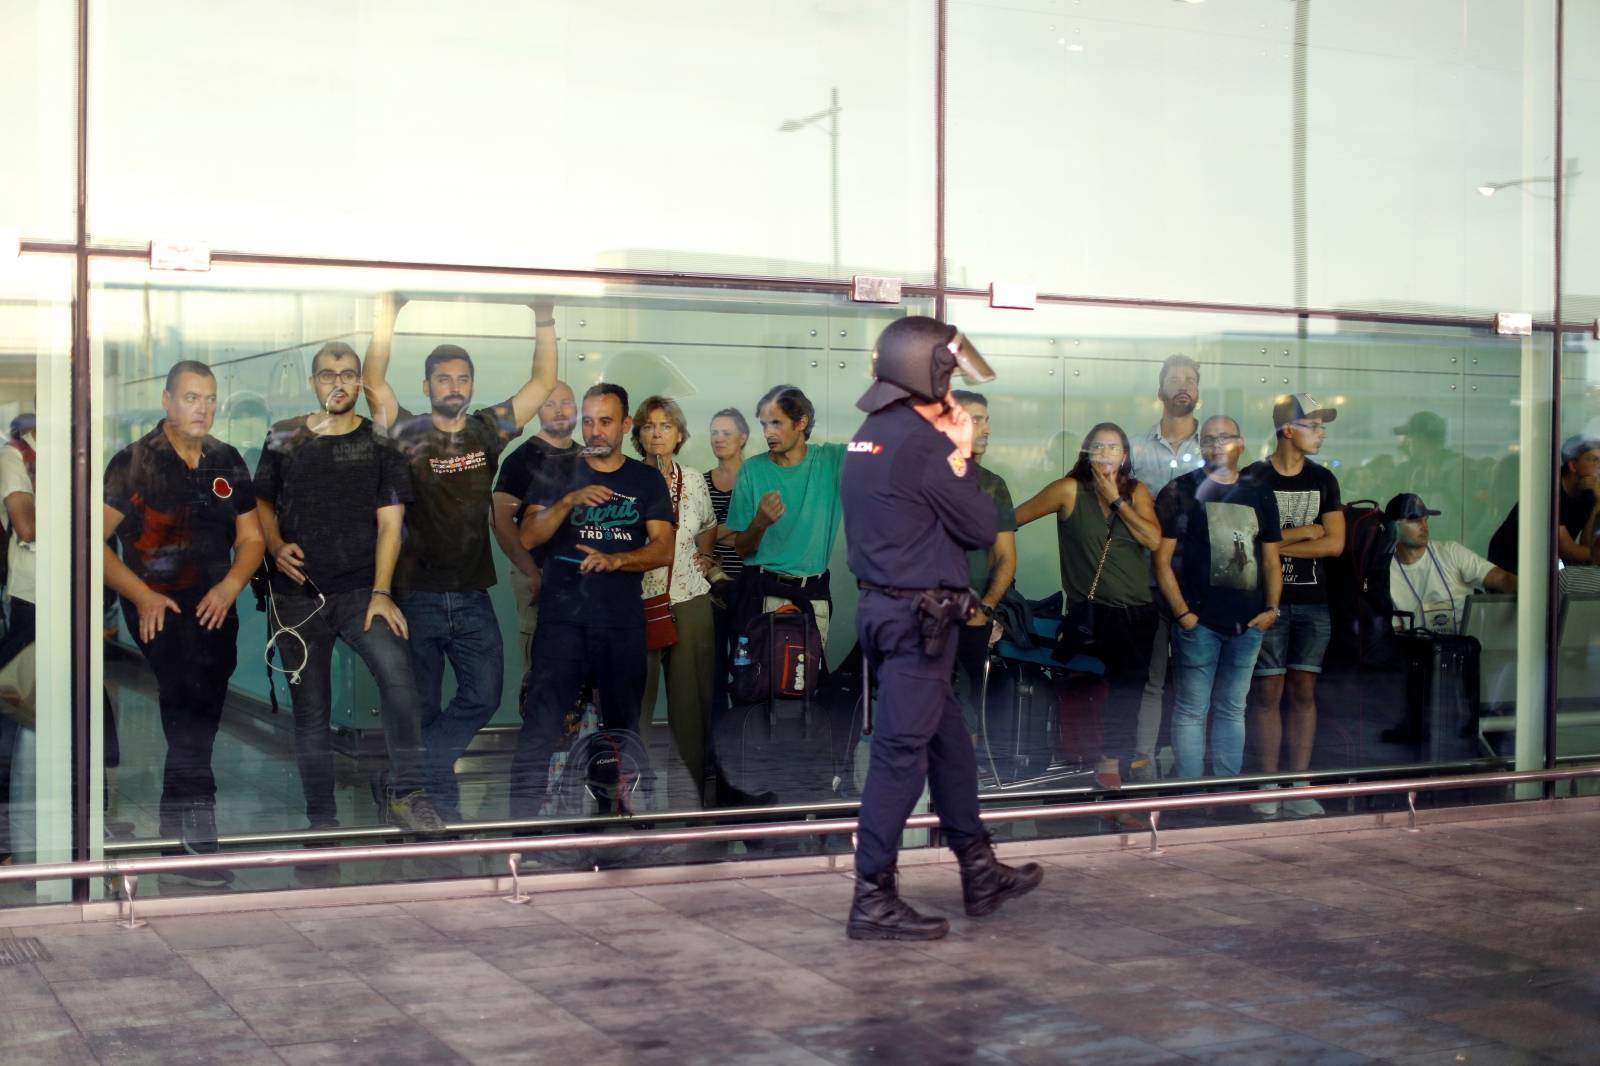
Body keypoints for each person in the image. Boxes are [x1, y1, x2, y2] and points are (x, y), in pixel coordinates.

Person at [842, 316, 1041, 941]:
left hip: (888, 611)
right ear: (922, 369)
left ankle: (979, 870)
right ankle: (872, 897)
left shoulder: (869, 433)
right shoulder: (924, 445)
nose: (953, 384)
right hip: (917, 620)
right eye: (946, 371)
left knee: (949, 743)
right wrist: (957, 450)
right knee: (900, 757)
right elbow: (982, 526)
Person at [362, 293, 557, 821]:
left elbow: (540, 385)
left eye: (463, 378)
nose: (454, 387)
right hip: (416, 597)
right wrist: (389, 312)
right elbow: (373, 383)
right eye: (444, 379)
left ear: (471, 386)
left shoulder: (486, 431)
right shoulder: (406, 433)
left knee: (483, 695)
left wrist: (543, 316)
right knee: (422, 706)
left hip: (472, 596)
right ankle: (435, 807)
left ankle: (410, 782)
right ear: (427, 387)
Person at [253, 342, 445, 836]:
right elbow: (262, 504)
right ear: (313, 382)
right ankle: (323, 819)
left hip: (362, 592)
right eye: (326, 374)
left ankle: (407, 795)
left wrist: (382, 593)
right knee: (311, 714)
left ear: (360, 382)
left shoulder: (381, 444)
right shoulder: (284, 436)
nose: (337, 382)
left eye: (348, 374)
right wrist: (274, 545)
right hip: (296, 596)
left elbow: (391, 524)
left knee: (401, 684)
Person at [102, 361, 266, 887]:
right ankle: (200, 822)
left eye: (210, 398)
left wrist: (231, 586)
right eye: (192, 397)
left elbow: (253, 538)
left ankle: (179, 824)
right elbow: (91, 540)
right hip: (160, 607)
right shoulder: (133, 463)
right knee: (185, 701)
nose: (203, 408)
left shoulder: (227, 460)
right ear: (167, 400)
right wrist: (142, 594)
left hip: (216, 602)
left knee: (205, 705)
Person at [508, 384, 674, 818]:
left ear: (625, 426)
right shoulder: (556, 469)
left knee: (621, 728)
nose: (595, 431)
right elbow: (527, 536)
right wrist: (568, 501)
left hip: (620, 623)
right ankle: (520, 828)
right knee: (541, 727)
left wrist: (616, 560)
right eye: (588, 421)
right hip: (562, 621)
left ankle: (610, 814)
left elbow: (663, 548)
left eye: (605, 422)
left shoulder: (644, 479)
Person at [1015, 423, 1161, 794]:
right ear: (1087, 454)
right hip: (1096, 613)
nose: (1107, 453)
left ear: (1125, 456)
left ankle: (1117, 764)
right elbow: (1010, 520)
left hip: (1140, 611)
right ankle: (1111, 764)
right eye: (1099, 447)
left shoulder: (1136, 492)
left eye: (1114, 447)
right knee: (1125, 680)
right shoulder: (1069, 491)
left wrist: (1117, 500)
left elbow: (1153, 539)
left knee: (1133, 684)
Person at [1154, 415, 1282, 782]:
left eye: (1224, 437)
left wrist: (1272, 609)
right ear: (1199, 446)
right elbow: (1162, 560)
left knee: (1232, 709)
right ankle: (1191, 797)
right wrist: (1182, 614)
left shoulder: (1259, 492)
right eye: (1208, 439)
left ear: (1241, 443)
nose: (1216, 445)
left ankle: (1226, 793)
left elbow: (1272, 558)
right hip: (1198, 622)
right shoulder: (1181, 489)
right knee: (1193, 709)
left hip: (1249, 622)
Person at [1243, 395, 1344, 820]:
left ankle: (1299, 782)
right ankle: (1267, 782)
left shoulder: (1324, 479)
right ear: (1288, 429)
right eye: (1314, 424)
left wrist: (1277, 543)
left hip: (1313, 601)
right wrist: (1305, 531)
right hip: (1269, 602)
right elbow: (1247, 544)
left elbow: (1336, 544)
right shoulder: (1253, 478)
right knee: (1267, 691)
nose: (1321, 432)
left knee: (1304, 691)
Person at [633, 396, 718, 804]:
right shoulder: (625, 479)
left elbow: (707, 525)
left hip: (688, 598)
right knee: (635, 707)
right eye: (648, 426)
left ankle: (693, 804)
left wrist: (705, 556)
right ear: (637, 435)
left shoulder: (694, 480)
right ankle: (632, 801)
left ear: (679, 434)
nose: (657, 433)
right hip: (637, 603)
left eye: (665, 426)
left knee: (692, 708)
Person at [1127, 354, 1206, 783]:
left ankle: (1190, 762)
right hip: (1146, 579)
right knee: (1153, 677)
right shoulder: (1136, 449)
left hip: (1199, 580)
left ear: (1198, 391)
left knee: (1195, 680)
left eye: (1190, 380)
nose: (1183, 385)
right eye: (1174, 379)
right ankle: (1144, 763)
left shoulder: (1212, 447)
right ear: (1159, 390)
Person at [726, 385, 844, 646]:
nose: (768, 433)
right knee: (759, 682)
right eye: (764, 425)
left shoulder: (831, 460)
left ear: (802, 422)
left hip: (813, 595)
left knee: (805, 682)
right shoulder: (752, 470)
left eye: (776, 423)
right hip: (763, 592)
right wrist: (760, 523)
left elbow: (883, 450)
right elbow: (742, 549)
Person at [491, 380, 581, 674]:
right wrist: (529, 570)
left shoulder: (587, 456)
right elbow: (498, 519)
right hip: (539, 573)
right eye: (550, 404)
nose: (559, 411)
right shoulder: (522, 459)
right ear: (538, 410)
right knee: (542, 665)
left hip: (581, 576)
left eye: (565, 402)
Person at [950, 390, 1016, 728]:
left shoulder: (992, 486)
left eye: (986, 419)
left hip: (972, 617)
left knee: (969, 712)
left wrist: (987, 607)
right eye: (976, 420)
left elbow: (1006, 557)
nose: (986, 428)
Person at [1389, 494, 1516, 634]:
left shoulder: (1451, 552)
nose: (1424, 527)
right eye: (1416, 521)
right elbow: (1396, 633)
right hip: (1421, 652)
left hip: (1467, 647)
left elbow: (1502, 578)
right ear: (1394, 526)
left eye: (1425, 520)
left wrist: (1528, 594)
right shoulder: (1386, 573)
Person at [0, 414, 36, 868]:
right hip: (30, 596)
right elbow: (26, 526)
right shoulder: (15, 457)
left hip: (64, 594)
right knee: (11, 707)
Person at [1487, 436, 1600, 572]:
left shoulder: (1587, 493)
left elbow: (1588, 546)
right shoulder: (1548, 492)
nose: (1599, 465)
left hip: (1541, 567)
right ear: (1573, 465)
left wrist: (1598, 503)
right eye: (1594, 459)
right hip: (1511, 566)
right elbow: (1568, 551)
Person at [703, 408, 749, 717]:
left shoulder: (757, 478)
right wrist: (740, 525)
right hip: (711, 590)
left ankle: (748, 731)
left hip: (749, 587)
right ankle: (717, 737)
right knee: (714, 668)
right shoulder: (702, 482)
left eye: (726, 433)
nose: (719, 439)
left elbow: (760, 535)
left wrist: (715, 532)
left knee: (748, 666)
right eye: (714, 432)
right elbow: (695, 534)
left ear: (743, 438)